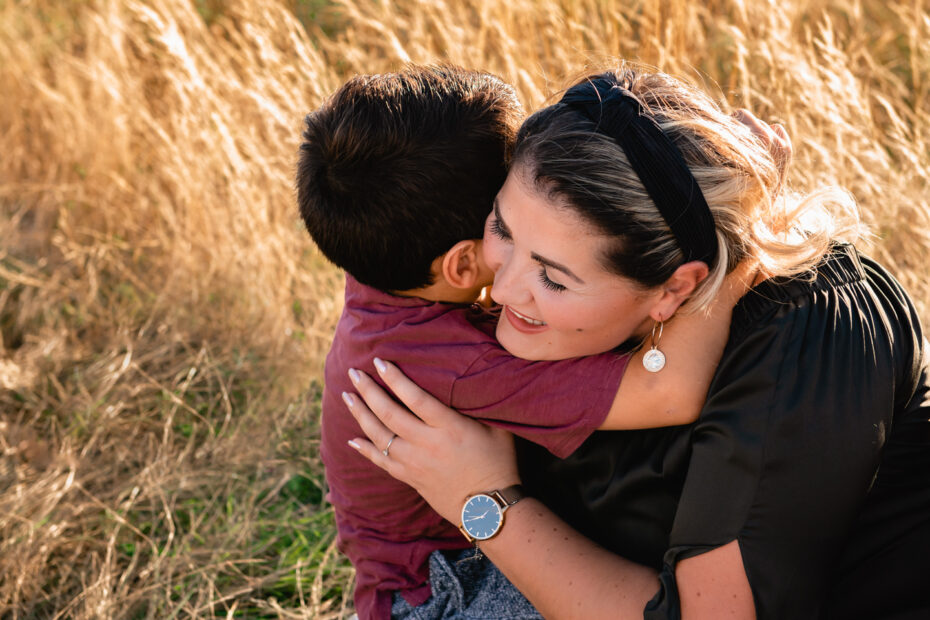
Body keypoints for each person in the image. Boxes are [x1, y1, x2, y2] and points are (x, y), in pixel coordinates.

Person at [342, 65, 930, 619]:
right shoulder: (584, 305)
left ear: (675, 289)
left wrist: (483, 500)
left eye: (553, 277)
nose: (503, 288)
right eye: (501, 227)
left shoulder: (799, 342)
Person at [296, 65, 743, 620]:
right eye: (503, 226)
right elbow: (669, 393)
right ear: (461, 262)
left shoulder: (385, 254)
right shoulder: (452, 364)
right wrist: (737, 242)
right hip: (445, 589)